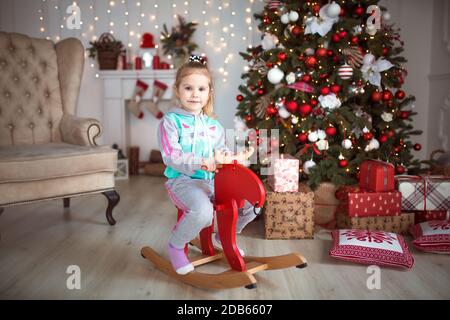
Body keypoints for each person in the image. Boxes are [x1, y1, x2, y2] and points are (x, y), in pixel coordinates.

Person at [157, 55, 258, 275]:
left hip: (212, 182)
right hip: (183, 182)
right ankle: (176, 245)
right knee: (203, 212)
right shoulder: (171, 122)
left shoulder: (214, 126)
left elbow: (220, 155)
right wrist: (200, 163)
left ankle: (222, 237)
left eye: (201, 89)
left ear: (208, 92)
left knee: (251, 202)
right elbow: (171, 155)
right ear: (177, 90)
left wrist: (235, 158)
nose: (195, 94)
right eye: (188, 88)